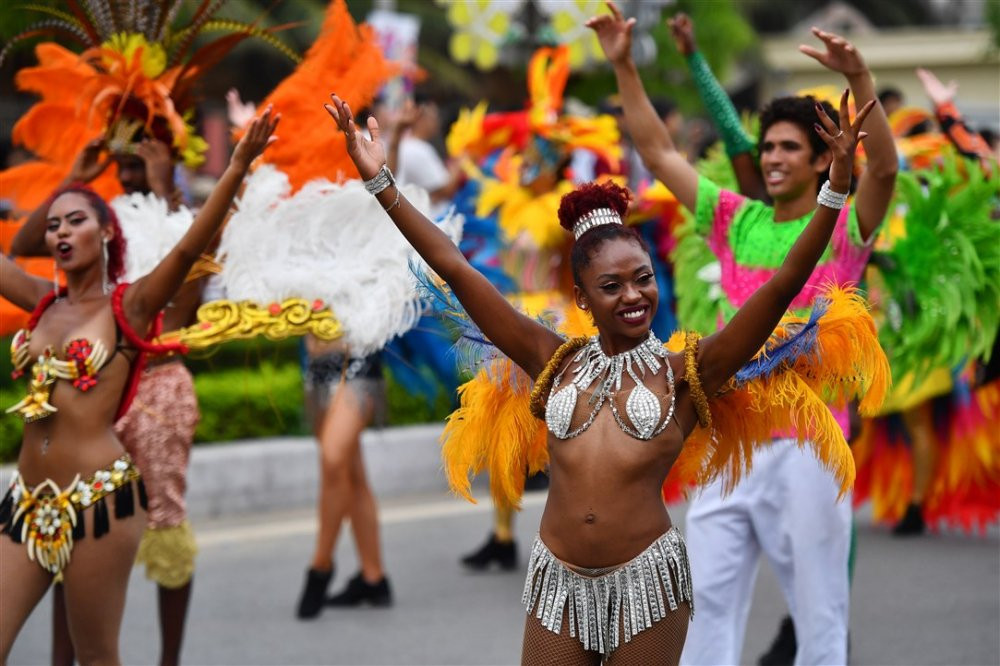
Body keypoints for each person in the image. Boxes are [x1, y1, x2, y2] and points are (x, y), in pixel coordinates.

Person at [324, 27, 878, 653]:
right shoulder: (552, 360)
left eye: (643, 279)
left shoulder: (687, 372)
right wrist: (381, 184)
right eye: (612, 286)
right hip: (555, 581)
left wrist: (834, 190)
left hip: (647, 583)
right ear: (583, 299)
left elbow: (780, 288)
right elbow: (454, 265)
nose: (635, 295)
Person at [590, 3, 898, 664]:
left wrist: (861, 76)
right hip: (730, 440)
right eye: (769, 146)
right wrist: (623, 67)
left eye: (791, 147)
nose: (774, 157)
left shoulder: (842, 229)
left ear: (823, 160)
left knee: (820, 615)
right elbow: (658, 150)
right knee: (707, 607)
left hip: (811, 447)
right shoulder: (735, 219)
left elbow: (883, 172)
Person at [0, 108, 278, 665]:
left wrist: (239, 165)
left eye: (74, 220)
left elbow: (188, 250)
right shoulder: (43, 301)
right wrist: (70, 182)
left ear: (105, 233)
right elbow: (11, 249)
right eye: (55, 225)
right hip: (27, 501)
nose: (58, 233)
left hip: (99, 498)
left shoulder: (131, 304)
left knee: (97, 654)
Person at [295, 335, 392, 618]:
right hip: (316, 372)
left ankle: (320, 566)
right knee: (351, 472)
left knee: (333, 458)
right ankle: (373, 577)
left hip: (358, 368)